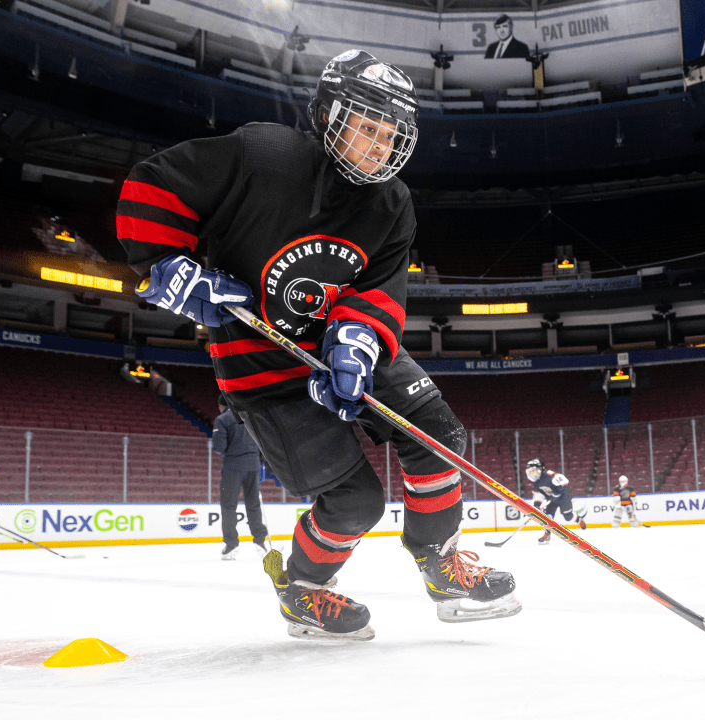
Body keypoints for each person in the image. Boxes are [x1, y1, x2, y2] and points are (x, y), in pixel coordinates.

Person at [118, 49, 517, 641]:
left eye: (391, 135)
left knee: (439, 434)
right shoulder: (264, 155)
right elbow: (152, 186)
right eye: (367, 128)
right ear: (329, 116)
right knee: (355, 503)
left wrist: (358, 338)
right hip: (260, 368)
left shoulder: (391, 203)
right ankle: (304, 589)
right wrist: (167, 268)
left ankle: (441, 563)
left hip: (343, 343)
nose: (380, 147)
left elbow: (380, 287)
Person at [213, 399, 271, 560]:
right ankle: (260, 542)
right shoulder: (249, 416)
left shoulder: (222, 419)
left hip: (233, 467)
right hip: (253, 466)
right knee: (253, 504)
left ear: (221, 406)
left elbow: (219, 447)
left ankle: (231, 545)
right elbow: (262, 444)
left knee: (229, 505)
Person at [526, 458, 585, 544]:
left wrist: (558, 491)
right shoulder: (536, 481)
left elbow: (564, 481)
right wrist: (537, 504)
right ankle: (547, 535)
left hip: (563, 497)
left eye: (533, 471)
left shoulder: (549, 475)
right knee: (547, 517)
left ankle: (578, 519)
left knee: (568, 517)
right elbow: (538, 494)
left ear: (540, 469)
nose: (532, 473)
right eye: (530, 471)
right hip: (552, 500)